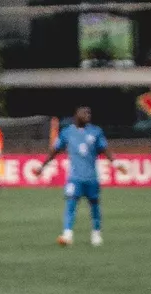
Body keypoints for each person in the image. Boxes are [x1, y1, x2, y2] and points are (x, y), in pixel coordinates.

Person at [41, 106, 110, 247]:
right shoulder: (67, 132)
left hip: (91, 177)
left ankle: (96, 234)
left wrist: (115, 162)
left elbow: (105, 149)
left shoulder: (96, 132)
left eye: (89, 113)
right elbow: (55, 151)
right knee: (70, 204)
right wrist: (42, 166)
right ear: (76, 115)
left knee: (95, 206)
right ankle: (67, 234)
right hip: (75, 177)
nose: (88, 115)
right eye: (85, 113)